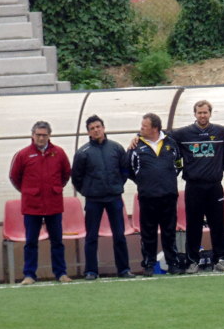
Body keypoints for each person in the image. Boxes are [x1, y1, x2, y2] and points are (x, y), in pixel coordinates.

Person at [167, 100, 224, 273]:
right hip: (193, 187)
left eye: (205, 112)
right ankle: (193, 261)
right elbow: (161, 134)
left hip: (214, 186)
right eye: (199, 112)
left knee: (217, 225)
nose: (202, 115)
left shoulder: (220, 132)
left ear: (210, 113)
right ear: (195, 114)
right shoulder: (184, 133)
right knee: (193, 226)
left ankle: (220, 259)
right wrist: (139, 136)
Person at [8, 120, 72, 284]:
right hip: (32, 206)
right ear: (32, 135)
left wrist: (55, 188)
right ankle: (29, 275)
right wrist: (28, 191)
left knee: (57, 241)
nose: (41, 138)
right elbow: (14, 177)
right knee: (31, 242)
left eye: (44, 135)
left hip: (53, 204)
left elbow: (66, 174)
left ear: (49, 135)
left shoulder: (59, 153)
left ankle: (61, 273)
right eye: (38, 135)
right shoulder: (23, 155)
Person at [71, 115, 132, 280]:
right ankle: (91, 271)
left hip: (114, 198)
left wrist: (116, 185)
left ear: (103, 128)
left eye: (98, 127)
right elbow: (76, 177)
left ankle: (124, 270)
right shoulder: (82, 153)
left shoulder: (116, 148)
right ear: (88, 132)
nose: (96, 130)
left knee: (119, 235)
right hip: (93, 200)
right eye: (92, 128)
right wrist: (88, 191)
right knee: (91, 236)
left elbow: (125, 170)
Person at [128, 112, 184, 276]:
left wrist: (167, 179)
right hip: (147, 197)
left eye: (144, 126)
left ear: (155, 128)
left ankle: (173, 264)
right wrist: (144, 181)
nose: (141, 129)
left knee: (169, 232)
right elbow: (129, 168)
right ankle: (148, 265)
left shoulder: (171, 143)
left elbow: (178, 164)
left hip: (168, 195)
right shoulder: (136, 146)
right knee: (148, 233)